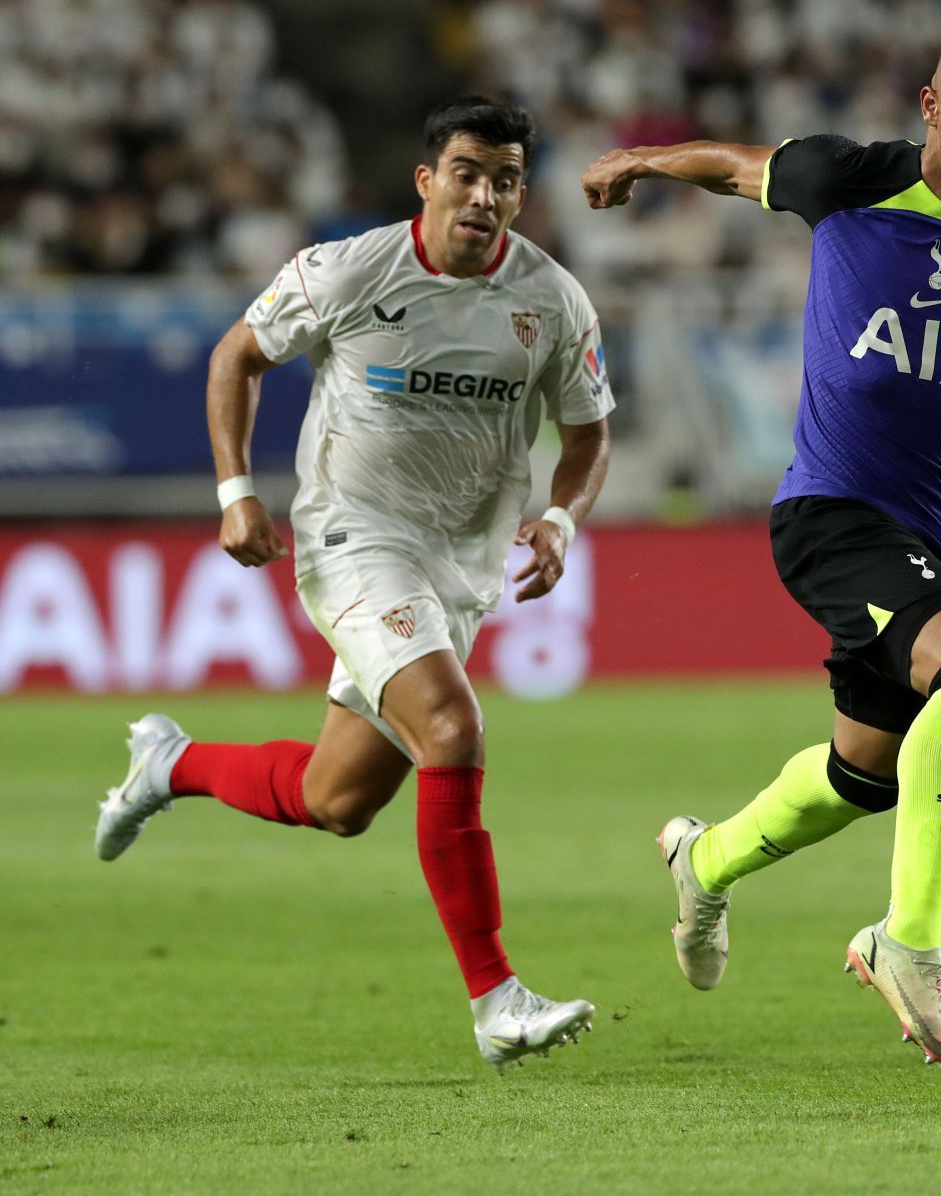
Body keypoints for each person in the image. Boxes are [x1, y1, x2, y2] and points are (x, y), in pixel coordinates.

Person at [580, 26, 941, 1075]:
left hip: (936, 532)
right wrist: (641, 162)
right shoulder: (849, 178)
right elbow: (738, 166)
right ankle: (908, 939)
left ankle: (704, 861)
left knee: (864, 774)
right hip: (831, 511)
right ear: (933, 108)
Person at [93, 96, 615, 1069]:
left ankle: (169, 764)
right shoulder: (348, 270)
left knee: (339, 800)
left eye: (505, 179)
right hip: (352, 536)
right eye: (467, 172)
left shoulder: (550, 300)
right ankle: (497, 998)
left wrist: (560, 515)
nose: (485, 195)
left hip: (458, 565)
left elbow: (588, 429)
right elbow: (236, 356)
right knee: (453, 728)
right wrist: (236, 491)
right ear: (427, 181)